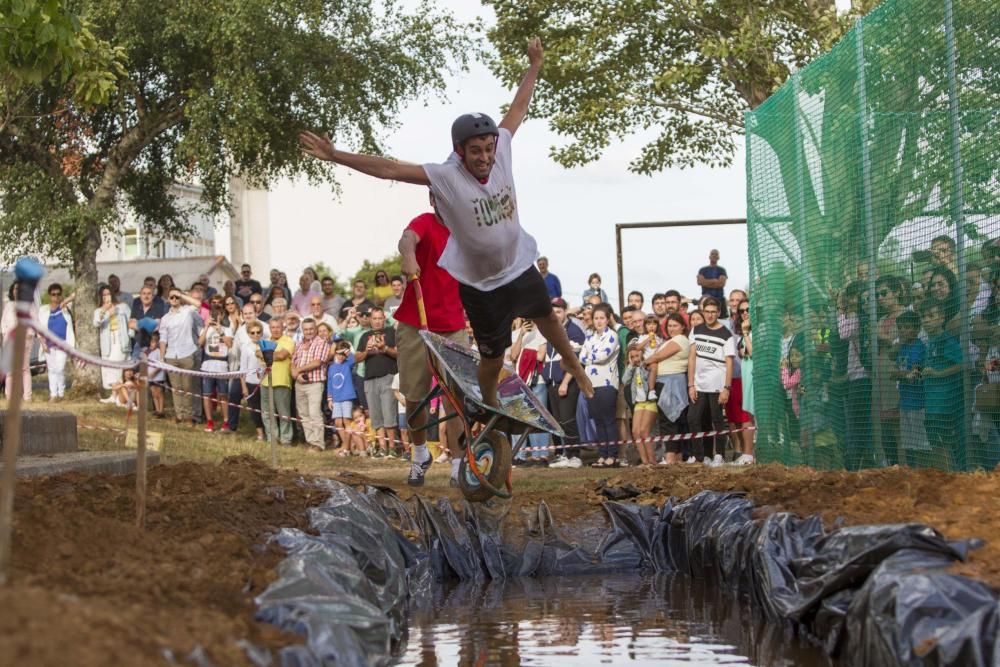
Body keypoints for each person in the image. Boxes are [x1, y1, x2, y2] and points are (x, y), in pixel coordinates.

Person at [300, 36, 594, 409]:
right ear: (460, 151)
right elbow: (390, 167)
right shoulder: (446, 175)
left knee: (548, 319)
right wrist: (336, 155)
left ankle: (574, 366)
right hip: (480, 283)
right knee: (491, 356)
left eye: (488, 149)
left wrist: (534, 65)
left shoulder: (501, 148)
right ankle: (488, 401)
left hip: (517, 264)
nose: (485, 157)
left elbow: (518, 107)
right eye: (476, 151)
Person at [395, 194, 469, 485]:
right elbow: (407, 238)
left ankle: (458, 465)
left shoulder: (466, 232)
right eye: (440, 196)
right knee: (414, 398)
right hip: (415, 324)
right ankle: (420, 454)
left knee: (456, 398)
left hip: (452, 326)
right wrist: (409, 255)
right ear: (432, 199)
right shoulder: (425, 223)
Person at [687, 297, 735, 466]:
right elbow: (692, 358)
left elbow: (729, 363)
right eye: (707, 312)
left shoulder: (726, 334)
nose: (710, 315)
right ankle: (701, 456)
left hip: (717, 385)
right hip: (699, 384)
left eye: (713, 312)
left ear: (719, 313)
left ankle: (720, 454)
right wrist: (691, 384)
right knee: (693, 418)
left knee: (717, 420)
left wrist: (726, 388)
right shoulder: (696, 330)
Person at [543, 298, 586, 469]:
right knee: (556, 421)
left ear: (566, 311)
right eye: (553, 311)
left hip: (566, 382)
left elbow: (575, 359)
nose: (556, 315)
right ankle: (561, 454)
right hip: (551, 381)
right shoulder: (550, 329)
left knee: (568, 419)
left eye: (559, 311)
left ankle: (575, 455)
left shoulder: (574, 331)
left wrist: (566, 382)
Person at [644, 313, 691, 464]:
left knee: (669, 421)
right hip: (665, 381)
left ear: (683, 326)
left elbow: (656, 356)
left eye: (675, 325)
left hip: (671, 382)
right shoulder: (670, 340)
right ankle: (675, 457)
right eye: (669, 326)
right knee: (671, 420)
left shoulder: (681, 339)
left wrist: (647, 360)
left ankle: (671, 457)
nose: (671, 329)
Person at [580, 303, 621, 468]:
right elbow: (581, 357)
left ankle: (613, 455)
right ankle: (603, 455)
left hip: (607, 383)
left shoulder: (612, 335)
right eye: (595, 318)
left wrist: (589, 356)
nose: (598, 321)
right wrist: (589, 356)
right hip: (591, 384)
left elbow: (603, 356)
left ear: (608, 319)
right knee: (597, 420)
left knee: (608, 420)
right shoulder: (589, 337)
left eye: (601, 318)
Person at [355, 307, 399, 456]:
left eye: (380, 318)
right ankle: (382, 448)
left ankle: (392, 448)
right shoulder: (364, 336)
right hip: (370, 378)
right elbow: (357, 358)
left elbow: (399, 353)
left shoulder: (391, 333)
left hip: (388, 376)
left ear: (384, 319)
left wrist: (384, 347)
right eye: (374, 318)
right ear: (370, 320)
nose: (377, 321)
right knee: (376, 415)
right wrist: (367, 351)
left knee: (389, 414)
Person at [158, 287, 202, 425]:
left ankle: (189, 416)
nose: (174, 299)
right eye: (172, 297)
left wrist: (182, 294)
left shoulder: (187, 311)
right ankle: (179, 414)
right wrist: (161, 356)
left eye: (176, 297)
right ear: (168, 300)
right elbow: (163, 338)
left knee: (188, 387)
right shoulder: (165, 318)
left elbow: (199, 304)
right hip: (171, 355)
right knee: (176, 388)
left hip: (187, 353)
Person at [893, 310, 930, 463]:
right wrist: (901, 374)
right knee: (909, 445)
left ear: (916, 329)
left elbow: (914, 373)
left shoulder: (918, 347)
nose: (902, 331)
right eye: (900, 327)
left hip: (918, 403)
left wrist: (900, 374)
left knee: (921, 445)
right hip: (905, 402)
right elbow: (894, 372)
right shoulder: (902, 347)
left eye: (906, 327)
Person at [292, 317, 332, 450]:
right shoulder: (298, 344)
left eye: (311, 329)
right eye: (306, 329)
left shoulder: (322, 343)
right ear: (302, 330)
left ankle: (318, 443)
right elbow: (293, 361)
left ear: (315, 329)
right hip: (299, 383)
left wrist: (298, 370)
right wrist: (296, 374)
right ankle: (310, 441)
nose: (308, 332)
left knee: (314, 413)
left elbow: (317, 362)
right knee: (303, 414)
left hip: (315, 383)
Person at [259, 316, 295, 445]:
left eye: (278, 327)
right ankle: (272, 438)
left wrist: (265, 353)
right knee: (267, 412)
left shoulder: (288, 341)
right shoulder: (265, 340)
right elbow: (257, 353)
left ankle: (286, 439)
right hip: (265, 382)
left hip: (281, 381)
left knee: (283, 412)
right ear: (269, 328)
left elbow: (281, 355)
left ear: (283, 328)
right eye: (273, 327)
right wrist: (268, 354)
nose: (275, 330)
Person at [198, 303, 233, 433]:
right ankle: (210, 421)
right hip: (207, 365)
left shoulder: (227, 329)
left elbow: (230, 344)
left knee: (223, 395)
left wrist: (221, 331)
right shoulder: (205, 329)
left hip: (222, 365)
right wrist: (207, 326)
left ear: (222, 315)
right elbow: (200, 343)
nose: (216, 316)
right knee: (206, 395)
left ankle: (225, 421)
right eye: (213, 314)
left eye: (218, 314)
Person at [38, 283, 75, 401]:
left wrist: (65, 300)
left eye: (58, 294)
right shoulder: (43, 309)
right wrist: (42, 343)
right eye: (53, 294)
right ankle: (53, 394)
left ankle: (61, 392)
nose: (56, 297)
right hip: (48, 343)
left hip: (63, 343)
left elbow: (76, 294)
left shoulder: (65, 308)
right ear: (49, 295)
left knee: (60, 368)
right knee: (52, 369)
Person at [623, 343, 657, 465]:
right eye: (632, 357)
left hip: (649, 402)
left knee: (644, 431)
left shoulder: (646, 365)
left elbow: (649, 374)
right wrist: (631, 366)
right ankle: (645, 462)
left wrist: (641, 361)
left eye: (637, 355)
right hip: (638, 403)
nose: (636, 359)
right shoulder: (632, 368)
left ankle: (652, 461)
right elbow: (625, 380)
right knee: (636, 432)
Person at [94, 284, 132, 393]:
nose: (106, 297)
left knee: (116, 367)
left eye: (108, 294)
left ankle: (120, 396)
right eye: (104, 295)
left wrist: (131, 336)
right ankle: (114, 395)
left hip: (120, 340)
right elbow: (96, 323)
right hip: (107, 341)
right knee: (108, 368)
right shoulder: (98, 311)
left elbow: (131, 321)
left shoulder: (122, 307)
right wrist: (105, 312)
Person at [326, 340, 358, 455]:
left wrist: (346, 350)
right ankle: (347, 446)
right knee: (338, 423)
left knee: (346, 421)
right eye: (338, 354)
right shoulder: (332, 367)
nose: (340, 356)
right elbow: (329, 383)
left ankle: (346, 449)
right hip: (336, 398)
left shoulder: (348, 364)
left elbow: (354, 358)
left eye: (342, 354)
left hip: (346, 396)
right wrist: (329, 398)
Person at [238, 321, 267, 440]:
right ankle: (260, 434)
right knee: (254, 410)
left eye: (258, 332)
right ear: (249, 334)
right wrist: (244, 387)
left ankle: (270, 432)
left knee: (266, 409)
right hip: (250, 382)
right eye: (252, 332)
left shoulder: (266, 345)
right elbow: (242, 369)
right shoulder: (245, 347)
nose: (255, 334)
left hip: (265, 382)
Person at [128, 285, 167, 359]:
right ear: (140, 296)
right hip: (138, 344)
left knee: (152, 369)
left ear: (152, 296)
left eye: (149, 294)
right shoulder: (137, 308)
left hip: (153, 346)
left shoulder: (157, 308)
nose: (146, 296)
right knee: (134, 367)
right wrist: (148, 323)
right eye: (144, 293)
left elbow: (157, 326)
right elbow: (130, 324)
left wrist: (139, 323)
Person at [146, 331, 167, 418]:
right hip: (150, 377)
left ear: (157, 343)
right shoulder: (148, 353)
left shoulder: (159, 352)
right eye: (150, 342)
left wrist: (154, 373)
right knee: (154, 393)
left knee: (159, 393)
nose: (151, 344)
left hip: (158, 377)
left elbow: (161, 365)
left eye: (153, 342)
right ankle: (157, 410)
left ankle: (161, 410)